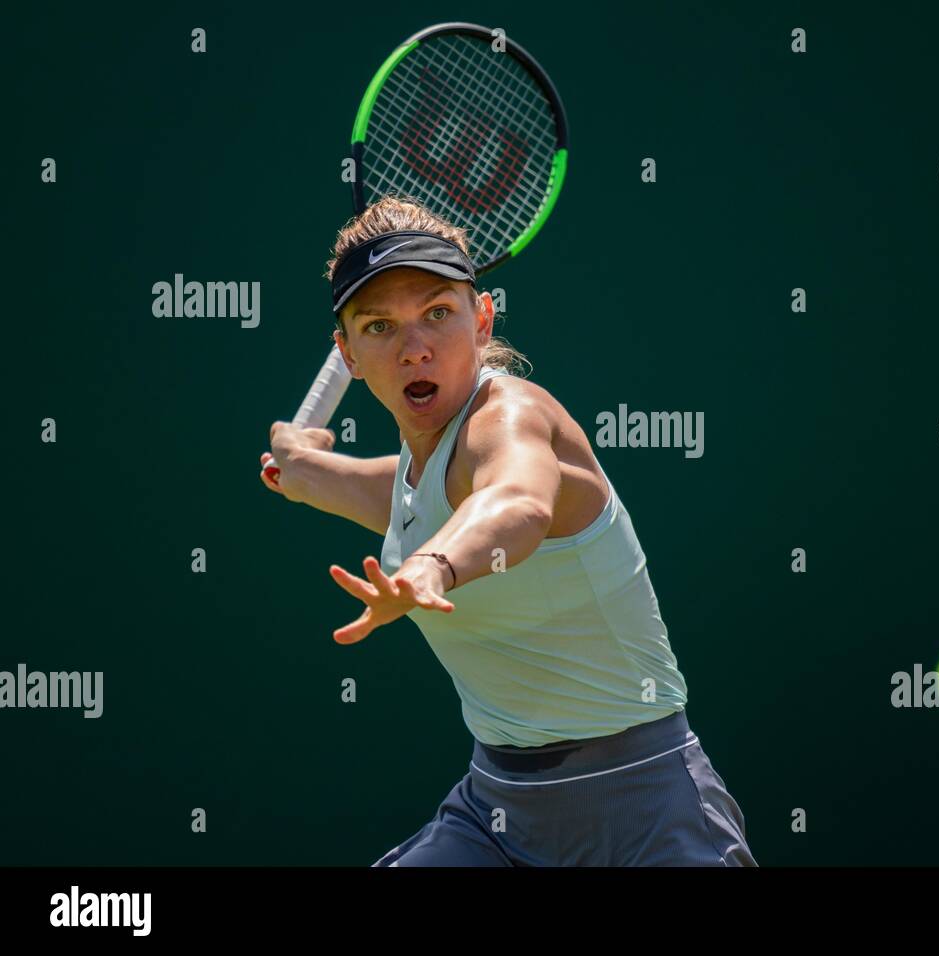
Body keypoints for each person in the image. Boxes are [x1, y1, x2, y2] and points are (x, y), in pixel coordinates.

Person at [259, 197, 756, 866]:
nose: (415, 348)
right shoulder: (427, 455)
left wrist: (433, 567)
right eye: (380, 327)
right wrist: (301, 466)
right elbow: (390, 492)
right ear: (347, 353)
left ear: (482, 316)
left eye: (438, 313)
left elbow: (516, 504)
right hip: (496, 818)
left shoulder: (514, 417)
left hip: (643, 811)